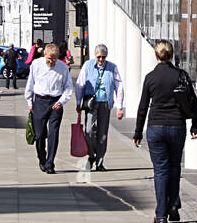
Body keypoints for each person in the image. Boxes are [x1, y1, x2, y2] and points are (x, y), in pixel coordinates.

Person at [133, 40, 197, 223]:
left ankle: (161, 213)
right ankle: (174, 205)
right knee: (175, 167)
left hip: (156, 126)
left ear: (156, 56)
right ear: (172, 55)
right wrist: (195, 124)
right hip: (177, 125)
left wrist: (138, 132)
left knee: (160, 170)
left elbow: (143, 107)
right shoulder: (181, 75)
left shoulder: (150, 77)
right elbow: (192, 101)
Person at [25, 41, 74, 173]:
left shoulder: (62, 67)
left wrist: (62, 101)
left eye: (54, 59)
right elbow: (30, 84)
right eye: (49, 59)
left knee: (53, 134)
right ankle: (42, 157)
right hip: (40, 101)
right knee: (39, 134)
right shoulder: (36, 64)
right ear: (44, 55)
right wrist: (30, 102)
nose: (51, 62)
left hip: (55, 102)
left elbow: (68, 87)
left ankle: (50, 162)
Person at [75, 44, 124, 171]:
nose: (101, 60)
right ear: (95, 56)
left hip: (105, 103)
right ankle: (91, 155)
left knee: (102, 134)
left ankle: (99, 161)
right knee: (88, 131)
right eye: (98, 57)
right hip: (91, 102)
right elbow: (80, 84)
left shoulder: (112, 67)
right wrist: (78, 102)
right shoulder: (88, 65)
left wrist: (120, 106)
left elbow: (119, 86)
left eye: (103, 57)